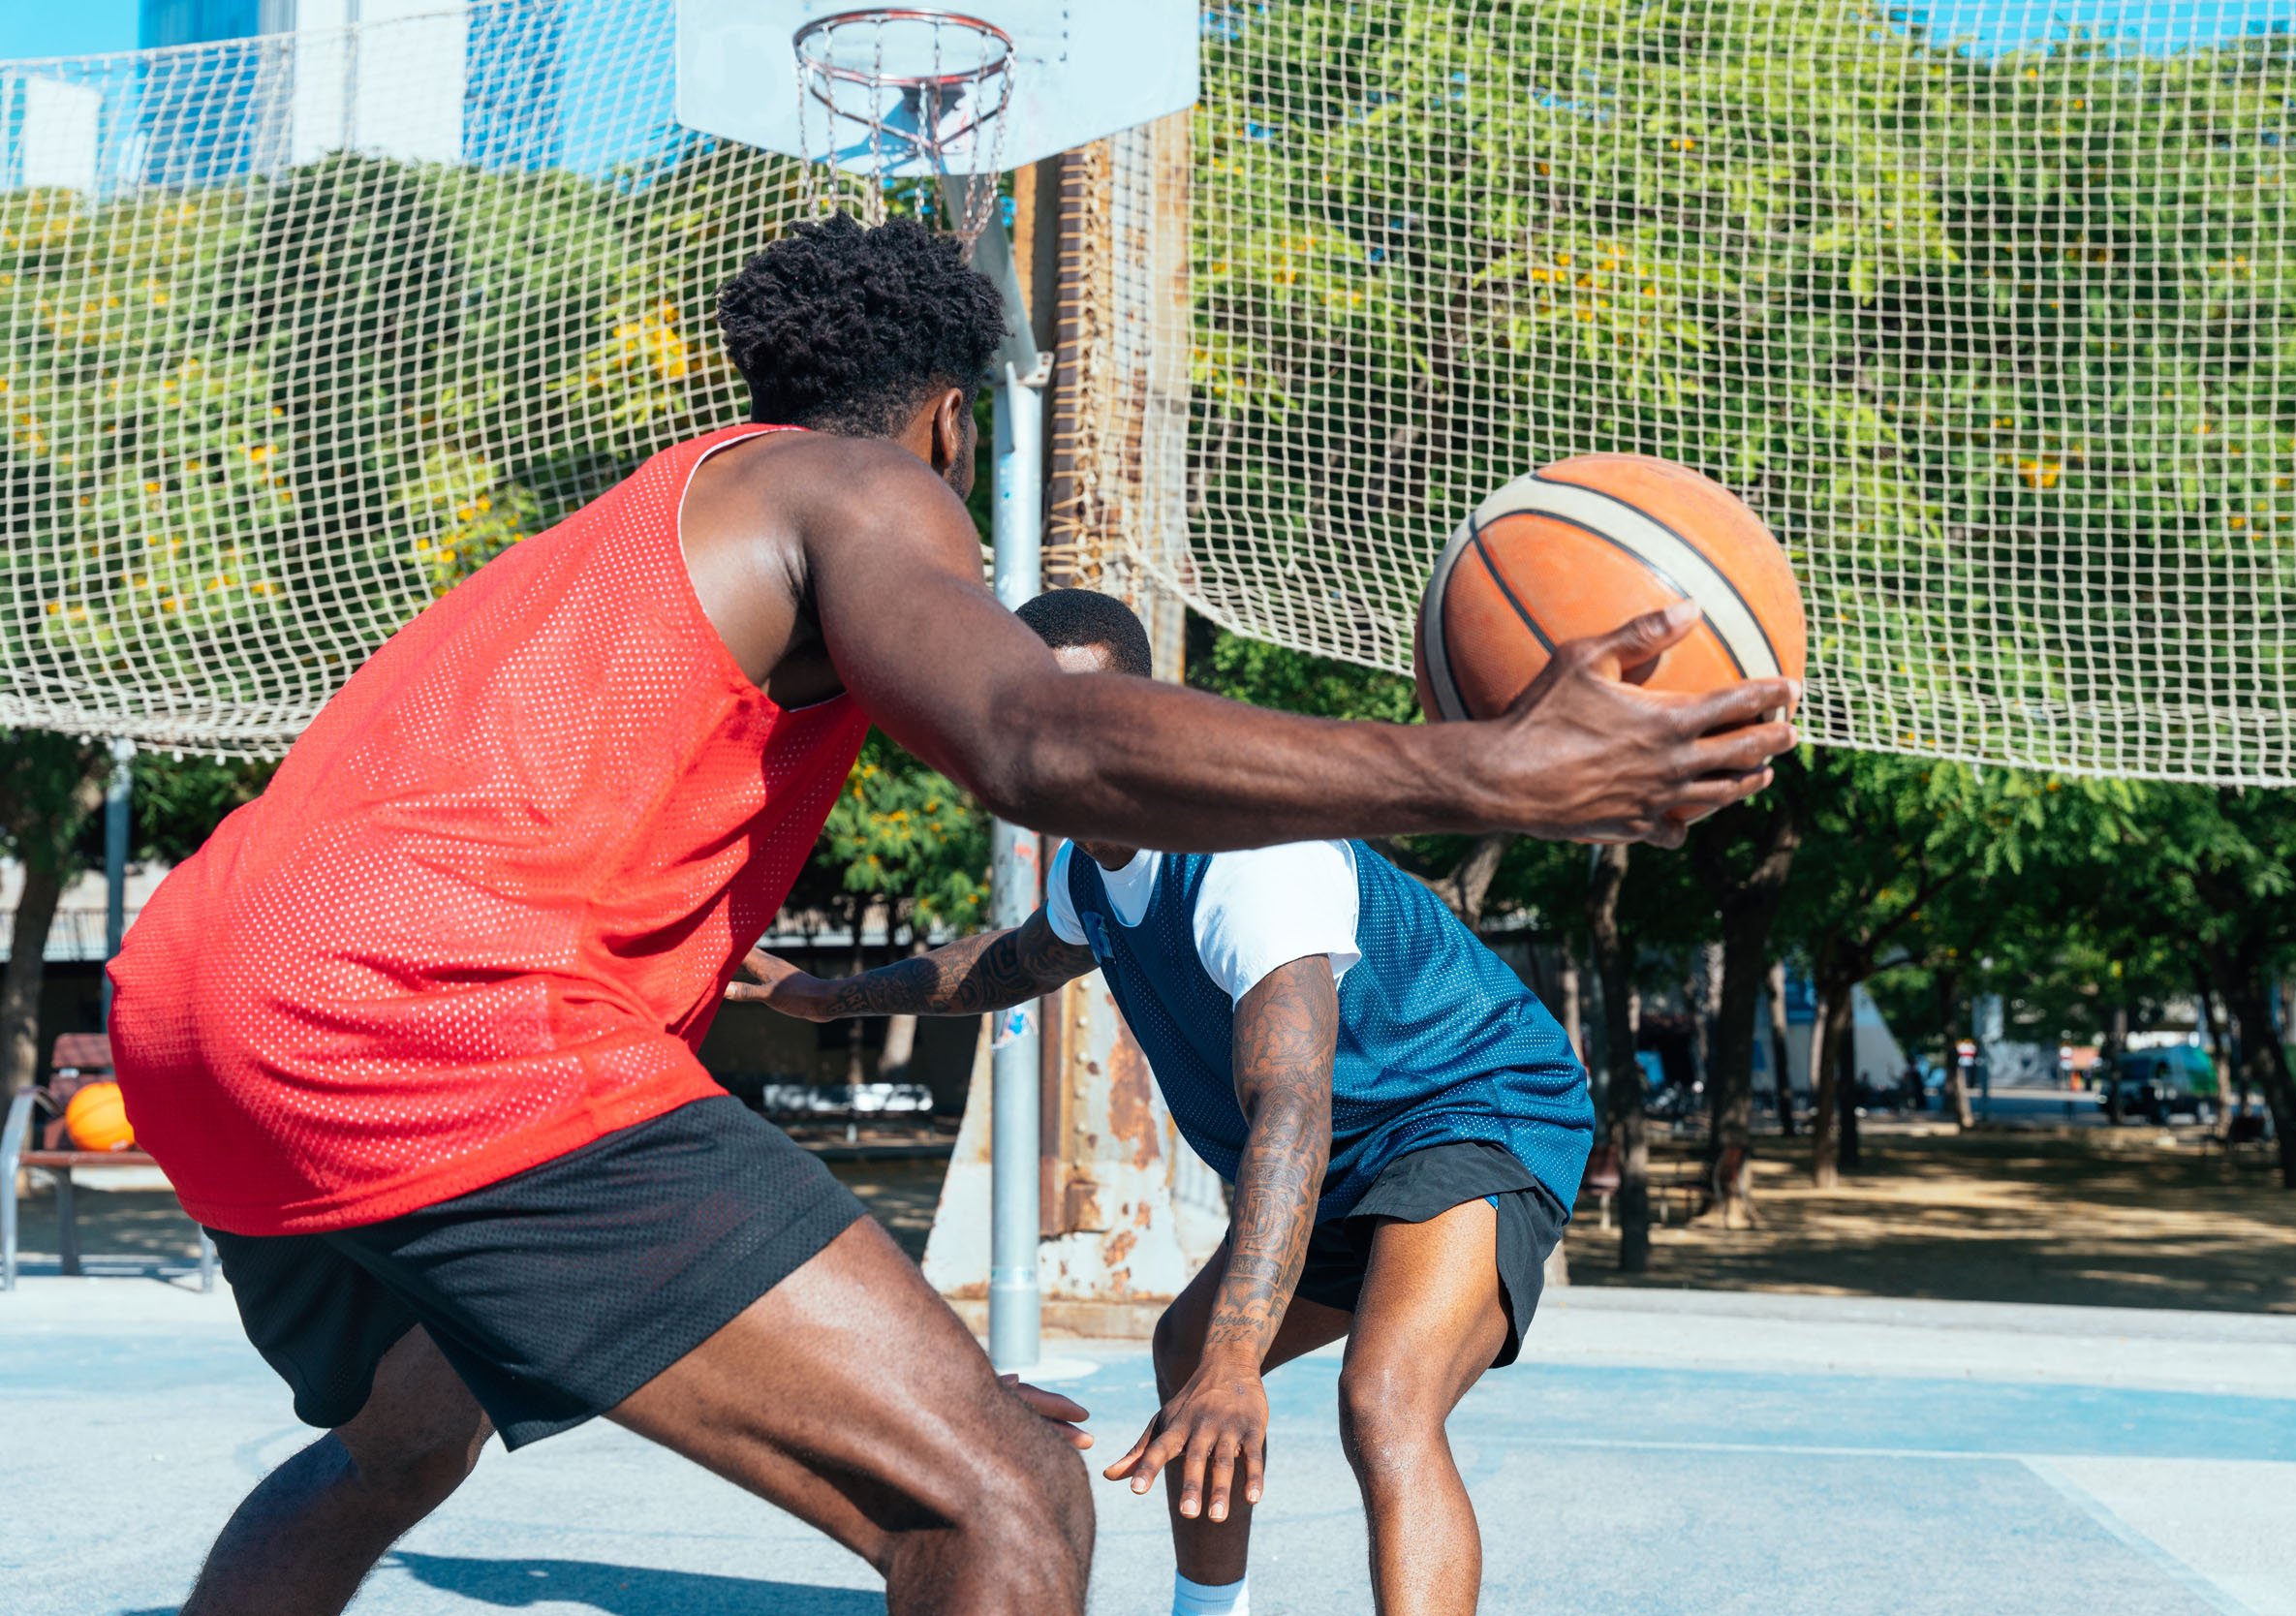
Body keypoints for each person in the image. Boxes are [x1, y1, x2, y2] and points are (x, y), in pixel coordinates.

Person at [108, 216, 1795, 1616]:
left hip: (201, 997)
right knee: (1004, 1496)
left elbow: (1025, 959)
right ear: (944, 426)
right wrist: (1489, 770)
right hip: (431, 1012)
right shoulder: (858, 488)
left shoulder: (628, 524)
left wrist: (875, 1303)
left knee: (399, 1441)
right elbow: (1038, 743)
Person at [729, 588, 1598, 1616]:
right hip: (1348, 1153)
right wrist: (831, 996)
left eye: (1096, 718)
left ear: (1149, 722)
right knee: (1185, 1352)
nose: (1070, 747)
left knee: (1384, 1398)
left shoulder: (1250, 859)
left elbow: (1289, 1109)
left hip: (1463, 1106)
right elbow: (1013, 962)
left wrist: (1243, 1361)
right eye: (1039, 717)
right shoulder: (1091, 868)